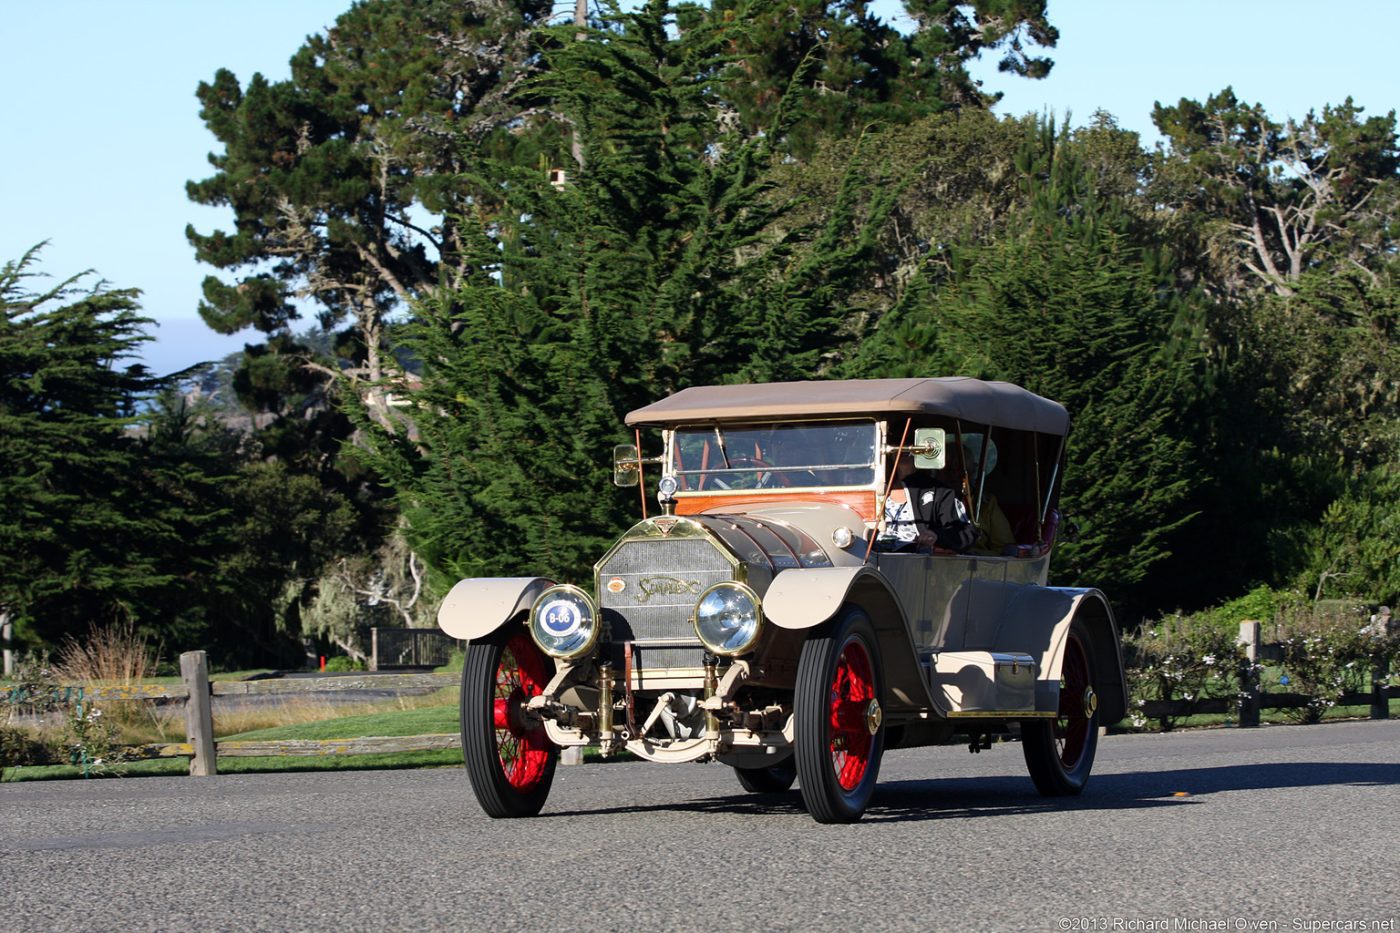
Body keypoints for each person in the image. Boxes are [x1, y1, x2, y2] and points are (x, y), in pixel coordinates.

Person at [875, 455, 976, 553]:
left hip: (915, 563)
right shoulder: (868, 488)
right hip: (867, 561)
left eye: (910, 449)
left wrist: (936, 535)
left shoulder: (940, 492)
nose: (904, 451)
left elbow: (966, 533)